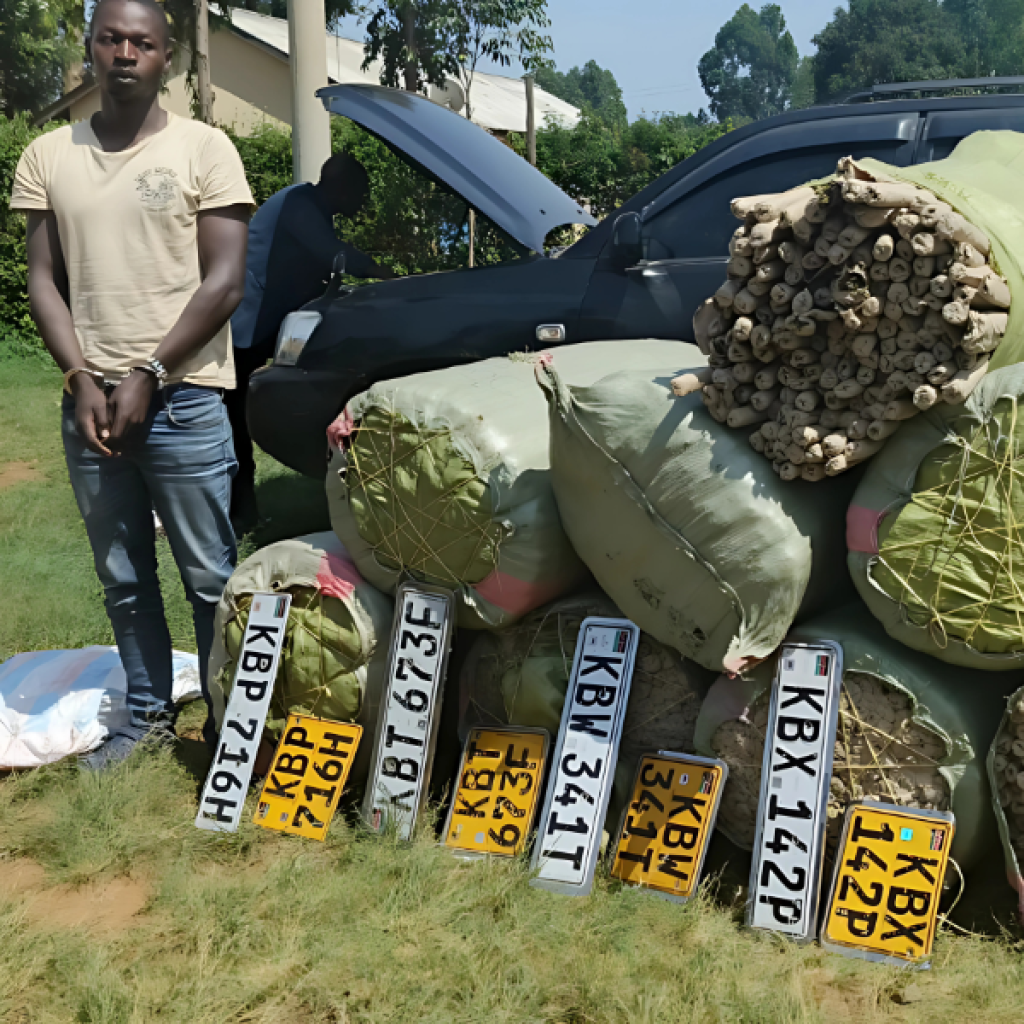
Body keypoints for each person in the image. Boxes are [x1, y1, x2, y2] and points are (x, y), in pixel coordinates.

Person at [12, 0, 253, 768]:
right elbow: (43, 281)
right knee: (122, 575)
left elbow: (225, 282)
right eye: (111, 38)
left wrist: (151, 372)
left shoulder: (204, 149)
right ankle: (146, 716)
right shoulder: (48, 154)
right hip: (91, 408)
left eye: (141, 42)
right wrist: (81, 375)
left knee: (211, 578)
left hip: (183, 402)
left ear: (166, 56)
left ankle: (229, 727)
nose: (125, 52)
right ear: (90, 48)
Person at [227, 153, 393, 532]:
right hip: (247, 324)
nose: (364, 201)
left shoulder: (311, 207)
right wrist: (382, 272)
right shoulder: (299, 205)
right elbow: (332, 254)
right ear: (342, 188)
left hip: (267, 321)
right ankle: (240, 513)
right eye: (361, 192)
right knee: (235, 419)